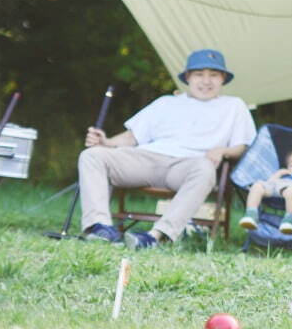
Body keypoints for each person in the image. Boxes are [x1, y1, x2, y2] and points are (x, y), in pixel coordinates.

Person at [76, 48, 255, 250]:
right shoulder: (166, 103)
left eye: (213, 75)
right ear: (188, 77)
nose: (206, 81)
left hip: (188, 165)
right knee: (92, 156)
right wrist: (106, 142)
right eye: (199, 74)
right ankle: (100, 228)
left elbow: (241, 145)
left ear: (223, 78)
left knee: (205, 169)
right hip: (146, 159)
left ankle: (155, 236)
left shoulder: (234, 106)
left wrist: (222, 151)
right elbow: (132, 137)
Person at [238, 146, 292, 235]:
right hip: (277, 187)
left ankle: (289, 220)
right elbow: (270, 183)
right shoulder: (285, 175)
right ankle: (251, 214)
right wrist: (279, 173)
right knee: (257, 185)